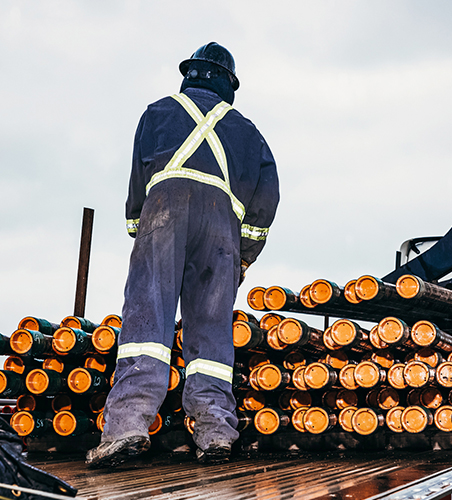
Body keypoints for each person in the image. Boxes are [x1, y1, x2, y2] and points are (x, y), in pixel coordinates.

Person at [86, 42, 280, 467]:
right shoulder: (249, 131)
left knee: (146, 319)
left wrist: (141, 229)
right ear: (229, 84)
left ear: (189, 74)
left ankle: (127, 428)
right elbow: (266, 199)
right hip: (222, 227)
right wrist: (243, 255)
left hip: (165, 212)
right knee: (211, 334)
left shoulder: (158, 111)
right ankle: (215, 433)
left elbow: (139, 178)